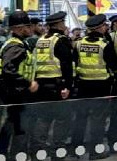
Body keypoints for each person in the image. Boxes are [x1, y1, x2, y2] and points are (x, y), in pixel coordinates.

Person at [73, 14, 117, 160]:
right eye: (104, 25)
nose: (106, 27)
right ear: (99, 28)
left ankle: (76, 150)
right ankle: (95, 151)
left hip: (82, 86)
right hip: (101, 86)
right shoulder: (104, 45)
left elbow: (74, 64)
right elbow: (115, 65)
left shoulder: (79, 43)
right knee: (97, 120)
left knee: (80, 119)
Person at [30, 12, 75, 158]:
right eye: (63, 23)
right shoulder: (61, 40)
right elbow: (67, 65)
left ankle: (39, 152)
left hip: (41, 86)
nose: (64, 25)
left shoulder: (41, 40)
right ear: (59, 24)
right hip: (57, 86)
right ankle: (58, 153)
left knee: (43, 119)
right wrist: (68, 87)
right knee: (61, 120)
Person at [0, 11, 38, 158]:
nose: (31, 29)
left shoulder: (18, 44)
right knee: (19, 129)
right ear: (20, 28)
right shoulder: (15, 47)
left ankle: (2, 155)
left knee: (11, 127)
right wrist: (28, 83)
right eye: (28, 26)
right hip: (16, 94)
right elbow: (8, 69)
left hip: (14, 93)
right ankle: (16, 156)